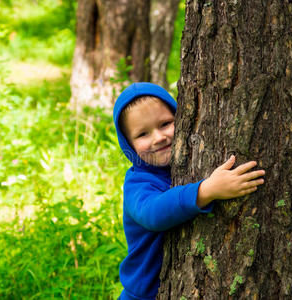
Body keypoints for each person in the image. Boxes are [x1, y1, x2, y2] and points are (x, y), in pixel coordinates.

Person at [113, 82, 265, 300]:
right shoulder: (138, 184)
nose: (158, 137)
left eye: (165, 123)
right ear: (128, 144)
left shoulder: (187, 163)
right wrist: (206, 190)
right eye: (143, 134)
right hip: (143, 296)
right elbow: (153, 213)